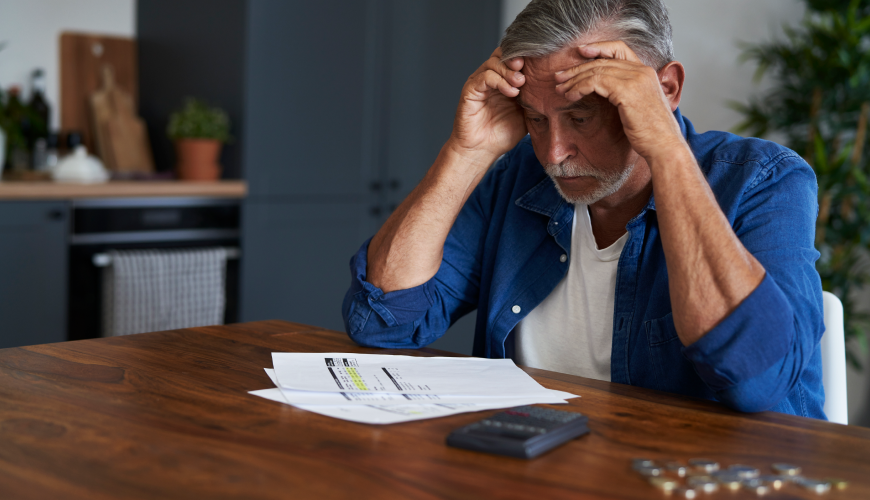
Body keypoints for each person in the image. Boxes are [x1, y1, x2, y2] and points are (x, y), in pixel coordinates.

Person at [342, 0, 825, 418]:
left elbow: (760, 379)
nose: (553, 154)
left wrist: (665, 146)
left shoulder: (763, 179)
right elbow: (384, 322)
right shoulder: (519, 180)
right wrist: (467, 152)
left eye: (581, 117)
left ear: (668, 89)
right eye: (535, 119)